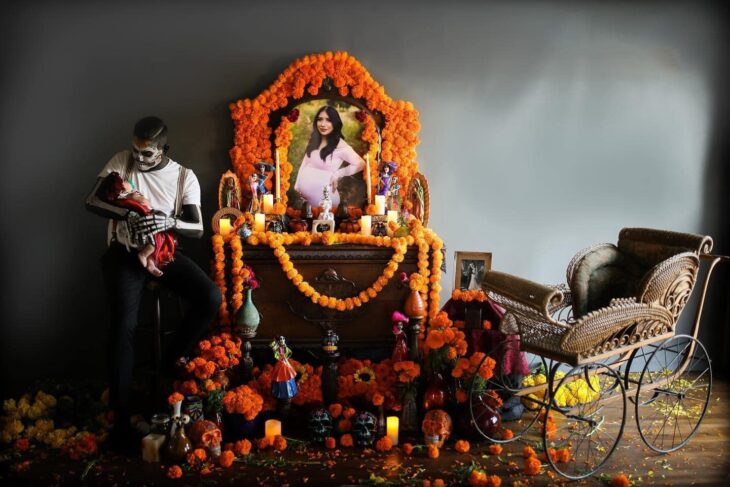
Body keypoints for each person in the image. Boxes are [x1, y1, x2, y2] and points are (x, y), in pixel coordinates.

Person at [85, 116, 221, 452]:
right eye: (137, 152)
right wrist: (129, 215)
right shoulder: (122, 161)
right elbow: (93, 201)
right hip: (124, 252)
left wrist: (167, 220)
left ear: (164, 150)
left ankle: (169, 363)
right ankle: (121, 418)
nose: (140, 159)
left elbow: (198, 228)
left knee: (210, 297)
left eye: (148, 154)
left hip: (165, 250)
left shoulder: (183, 176)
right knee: (123, 325)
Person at [98, 171, 174, 277]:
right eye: (124, 183)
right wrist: (138, 198)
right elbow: (141, 203)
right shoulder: (127, 198)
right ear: (120, 190)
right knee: (153, 244)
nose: (127, 183)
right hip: (144, 224)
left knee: (159, 243)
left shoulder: (130, 192)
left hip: (151, 218)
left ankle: (151, 263)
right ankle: (144, 256)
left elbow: (139, 195)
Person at [294, 105, 365, 208]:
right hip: (306, 202)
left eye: (328, 120)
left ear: (335, 123)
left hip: (325, 203)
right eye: (320, 119)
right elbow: (306, 161)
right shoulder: (314, 139)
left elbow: (360, 164)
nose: (323, 124)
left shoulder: (340, 144)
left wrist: (338, 174)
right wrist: (297, 184)